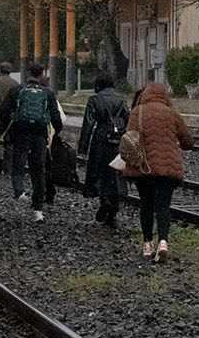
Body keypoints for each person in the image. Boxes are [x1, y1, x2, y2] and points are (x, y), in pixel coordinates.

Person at [123, 82, 193, 262]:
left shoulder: (137, 112)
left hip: (143, 168)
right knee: (163, 206)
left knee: (146, 205)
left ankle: (147, 244)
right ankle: (163, 242)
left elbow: (129, 137)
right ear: (165, 96)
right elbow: (188, 142)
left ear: (145, 95)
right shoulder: (172, 114)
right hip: (167, 169)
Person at [0, 62, 62, 222]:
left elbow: (3, 112)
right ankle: (38, 211)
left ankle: (20, 193)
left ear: (27, 74)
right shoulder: (47, 93)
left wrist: (9, 127)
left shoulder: (17, 91)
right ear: (41, 75)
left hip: (20, 135)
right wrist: (56, 131)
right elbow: (56, 119)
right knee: (39, 171)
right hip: (40, 137)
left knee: (18, 168)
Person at [77, 73, 130, 228]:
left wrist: (83, 148)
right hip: (118, 140)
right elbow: (128, 121)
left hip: (101, 139)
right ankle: (113, 213)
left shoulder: (95, 99)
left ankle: (104, 199)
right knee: (116, 174)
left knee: (99, 172)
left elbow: (88, 124)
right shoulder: (121, 99)